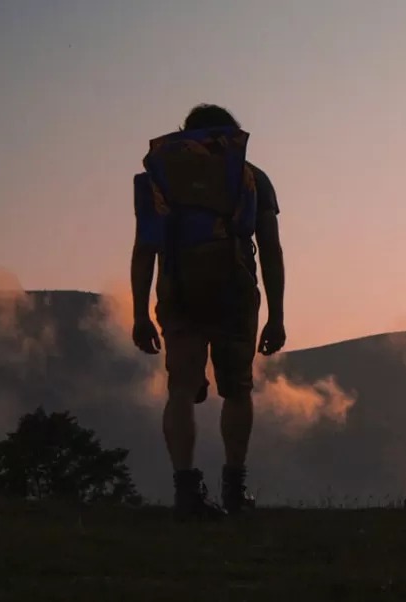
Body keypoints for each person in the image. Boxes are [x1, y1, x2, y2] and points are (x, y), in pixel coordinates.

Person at [130, 104, 286, 520]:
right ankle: (234, 489)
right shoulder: (251, 177)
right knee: (237, 389)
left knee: (180, 389)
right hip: (234, 289)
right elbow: (270, 250)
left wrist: (140, 313)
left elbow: (145, 249)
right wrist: (276, 315)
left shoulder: (161, 178)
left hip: (177, 288)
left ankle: (186, 490)